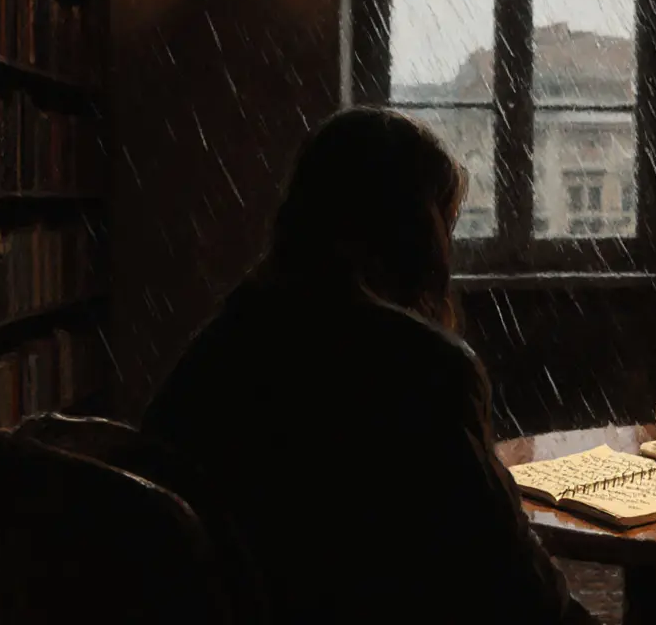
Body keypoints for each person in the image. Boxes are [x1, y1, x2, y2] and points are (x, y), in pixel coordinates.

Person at [141, 107, 597, 624]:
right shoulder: (424, 367)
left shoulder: (220, 348)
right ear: (416, 234)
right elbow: (516, 586)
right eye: (445, 224)